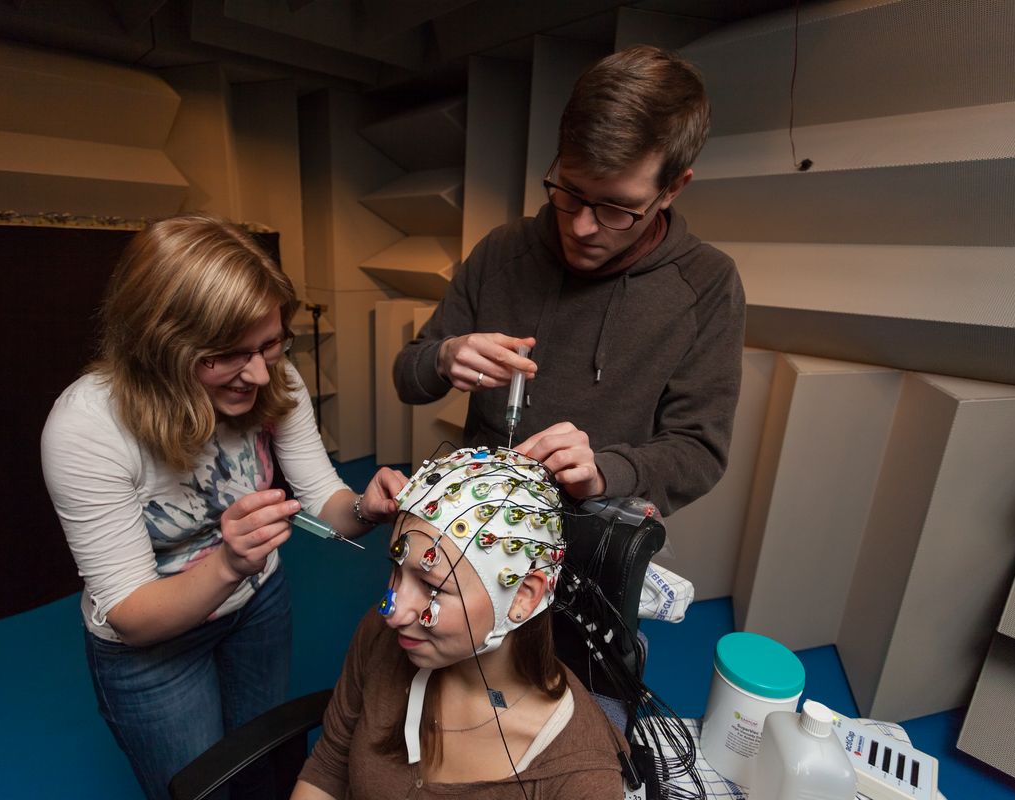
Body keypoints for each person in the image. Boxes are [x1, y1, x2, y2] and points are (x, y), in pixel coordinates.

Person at [41, 214, 405, 799]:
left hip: (257, 609)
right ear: (160, 347)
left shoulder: (268, 377)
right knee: (200, 789)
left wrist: (366, 507)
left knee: (267, 769)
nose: (261, 372)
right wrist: (230, 564)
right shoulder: (86, 428)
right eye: (229, 355)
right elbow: (132, 615)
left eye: (270, 344)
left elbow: (326, 501)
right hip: (154, 650)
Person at [393, 45, 745, 515]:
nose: (580, 226)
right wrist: (442, 357)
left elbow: (699, 452)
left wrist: (604, 472)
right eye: (571, 192)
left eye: (616, 207)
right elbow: (408, 377)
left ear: (673, 189)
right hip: (482, 515)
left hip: (599, 532)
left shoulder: (707, 284)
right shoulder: (503, 249)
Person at [292, 447, 631, 799]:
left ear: (523, 597)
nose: (393, 612)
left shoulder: (581, 777)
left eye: (432, 586)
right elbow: (328, 768)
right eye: (396, 568)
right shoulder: (384, 637)